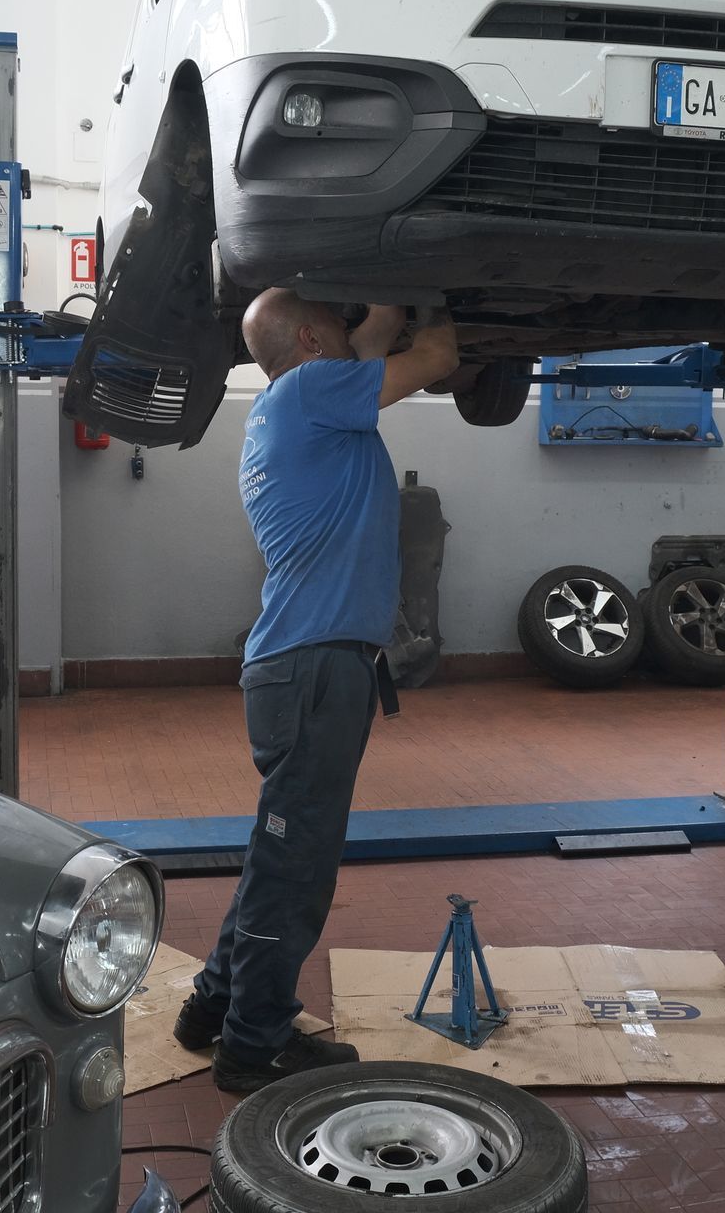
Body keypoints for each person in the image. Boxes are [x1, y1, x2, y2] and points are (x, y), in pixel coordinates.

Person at [173, 288, 461, 1092]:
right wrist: (438, 294)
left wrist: (374, 318)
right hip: (316, 671)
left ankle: (212, 1007)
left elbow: (371, 335)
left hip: (298, 668)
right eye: (332, 324)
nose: (350, 332)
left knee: (280, 852)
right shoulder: (310, 390)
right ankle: (253, 1044)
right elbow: (435, 358)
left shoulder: (290, 410)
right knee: (298, 867)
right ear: (307, 336)